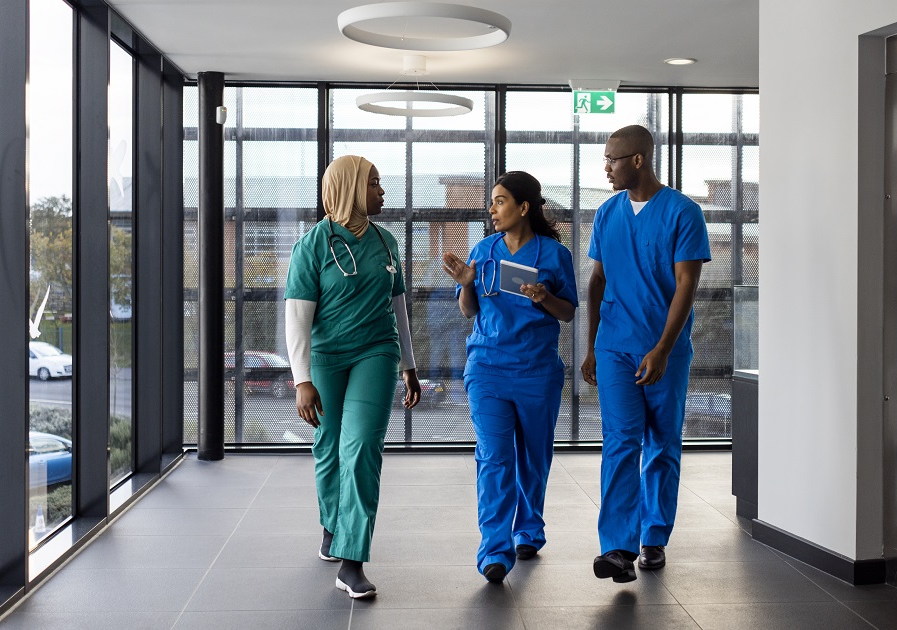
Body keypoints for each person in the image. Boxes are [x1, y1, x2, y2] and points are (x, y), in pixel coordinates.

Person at [284, 155, 421, 599]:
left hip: (376, 352)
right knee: (328, 447)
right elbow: (297, 319)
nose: (383, 192)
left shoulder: (387, 242)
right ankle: (332, 524)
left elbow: (398, 308)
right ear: (347, 189)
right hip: (325, 357)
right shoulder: (312, 246)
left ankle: (351, 559)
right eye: (374, 184)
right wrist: (302, 379)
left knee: (360, 447)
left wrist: (409, 365)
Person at [581, 125, 710, 583]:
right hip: (615, 345)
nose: (606, 168)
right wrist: (593, 345)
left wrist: (661, 348)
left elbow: (686, 285)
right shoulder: (606, 213)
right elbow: (597, 282)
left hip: (665, 350)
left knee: (661, 444)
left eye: (612, 159)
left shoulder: (683, 212)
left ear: (638, 160)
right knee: (620, 440)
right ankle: (617, 547)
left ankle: (654, 535)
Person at [441, 171, 578, 583]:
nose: (491, 209)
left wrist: (545, 297)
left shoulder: (555, 255)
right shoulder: (483, 250)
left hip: (537, 372)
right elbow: (469, 311)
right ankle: (494, 550)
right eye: (492, 201)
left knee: (533, 458)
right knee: (495, 458)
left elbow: (568, 312)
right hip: (487, 369)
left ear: (523, 207)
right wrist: (467, 284)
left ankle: (529, 529)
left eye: (500, 201)